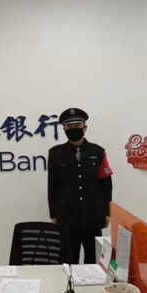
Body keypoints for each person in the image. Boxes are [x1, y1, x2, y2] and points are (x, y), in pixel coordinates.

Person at [47, 108, 113, 264]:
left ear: (85, 128)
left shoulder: (98, 152)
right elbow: (52, 187)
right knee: (69, 261)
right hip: (67, 216)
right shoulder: (55, 153)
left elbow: (106, 185)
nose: (73, 129)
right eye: (69, 126)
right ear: (64, 130)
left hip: (93, 215)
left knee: (93, 261)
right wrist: (54, 215)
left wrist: (107, 212)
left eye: (77, 125)